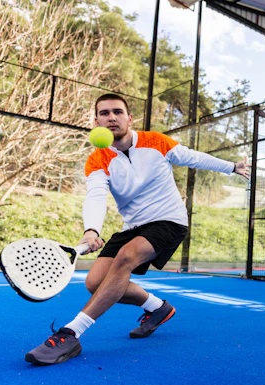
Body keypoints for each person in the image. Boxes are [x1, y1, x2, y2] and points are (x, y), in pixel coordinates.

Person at [25, 93, 250, 365]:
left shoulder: (155, 141)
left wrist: (231, 167)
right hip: (132, 226)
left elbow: (191, 157)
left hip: (169, 219)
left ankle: (72, 332)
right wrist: (91, 230)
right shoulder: (97, 159)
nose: (111, 117)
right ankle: (157, 308)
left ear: (129, 118)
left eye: (117, 112)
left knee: (126, 258)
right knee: (95, 283)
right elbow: (95, 195)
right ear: (96, 121)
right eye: (104, 113)